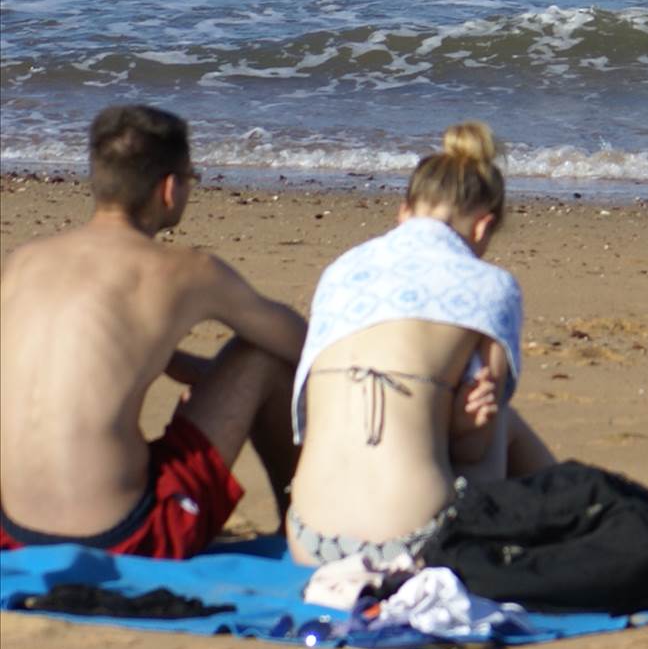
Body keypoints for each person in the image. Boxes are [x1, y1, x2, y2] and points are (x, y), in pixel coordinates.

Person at [0, 104, 304, 556]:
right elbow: (306, 346)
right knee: (262, 356)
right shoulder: (185, 271)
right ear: (169, 188)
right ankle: (297, 530)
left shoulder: (22, 263)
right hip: (125, 534)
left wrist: (177, 362)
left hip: (13, 528)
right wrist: (216, 372)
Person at [285, 120, 555, 567]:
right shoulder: (490, 285)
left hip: (308, 540)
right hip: (411, 544)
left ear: (403, 212)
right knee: (502, 416)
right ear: (483, 227)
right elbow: (472, 448)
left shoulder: (342, 269)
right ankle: (569, 514)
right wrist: (474, 420)